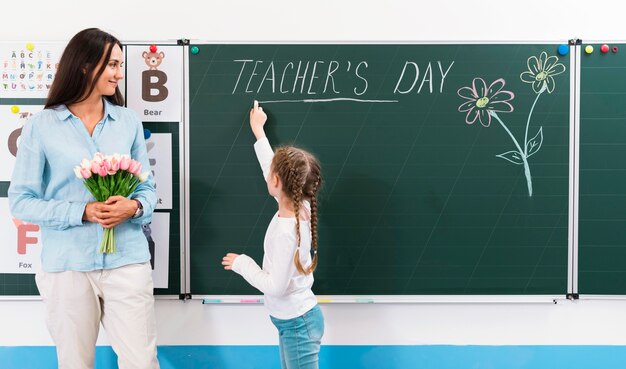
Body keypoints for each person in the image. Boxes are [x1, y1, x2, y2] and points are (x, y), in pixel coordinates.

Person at [8, 28, 159, 369]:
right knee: (75, 363)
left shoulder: (128, 121)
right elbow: (21, 201)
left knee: (142, 361)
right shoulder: (41, 126)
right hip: (67, 267)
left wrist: (133, 206)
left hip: (127, 262)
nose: (120, 74)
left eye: (120, 65)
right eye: (113, 65)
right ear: (84, 66)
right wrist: (84, 211)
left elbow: (148, 190)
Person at [222, 100, 324, 369]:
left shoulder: (285, 232)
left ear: (277, 182)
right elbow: (273, 167)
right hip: (295, 320)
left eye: (272, 174)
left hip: (297, 324)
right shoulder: (301, 205)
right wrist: (259, 133)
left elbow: (276, 287)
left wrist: (243, 264)